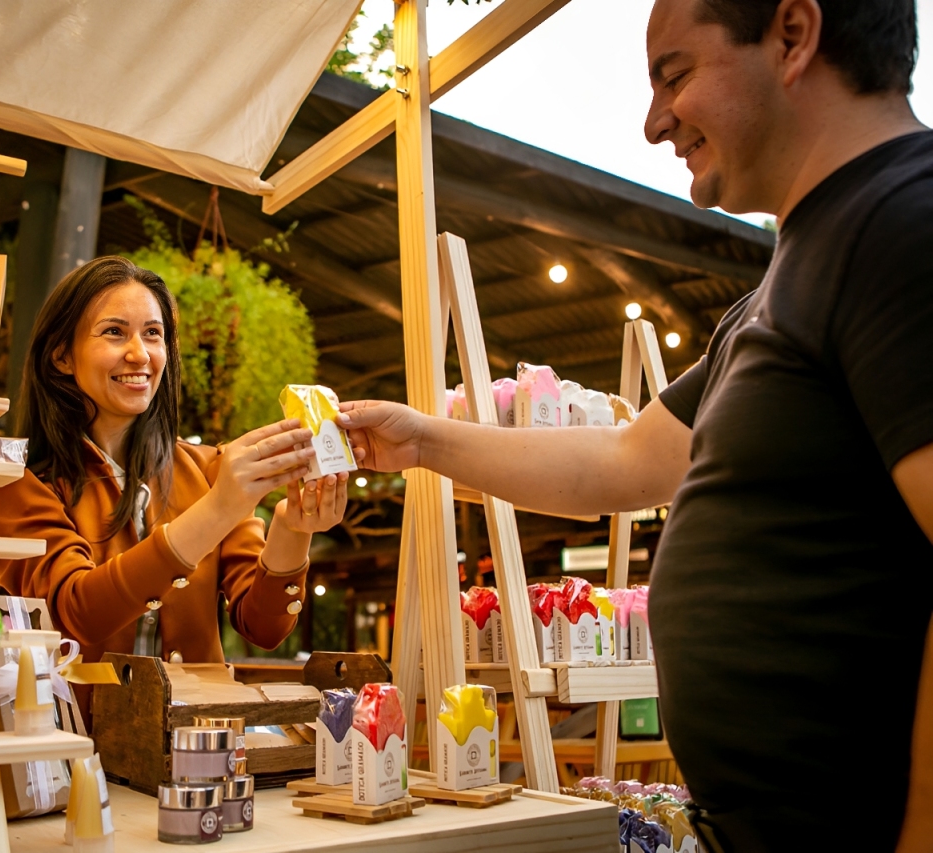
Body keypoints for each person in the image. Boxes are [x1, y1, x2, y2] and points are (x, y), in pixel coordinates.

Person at [336, 2, 933, 850]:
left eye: (675, 73)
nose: (656, 123)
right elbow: (622, 460)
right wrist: (426, 440)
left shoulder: (903, 223)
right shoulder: (778, 291)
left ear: (794, 35)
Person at [0, 256, 347, 721]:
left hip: (200, 746)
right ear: (61, 355)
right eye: (114, 332)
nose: (140, 354)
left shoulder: (208, 468)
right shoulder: (18, 483)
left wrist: (292, 528)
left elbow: (263, 626)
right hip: (75, 753)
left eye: (153, 334)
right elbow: (79, 612)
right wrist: (218, 509)